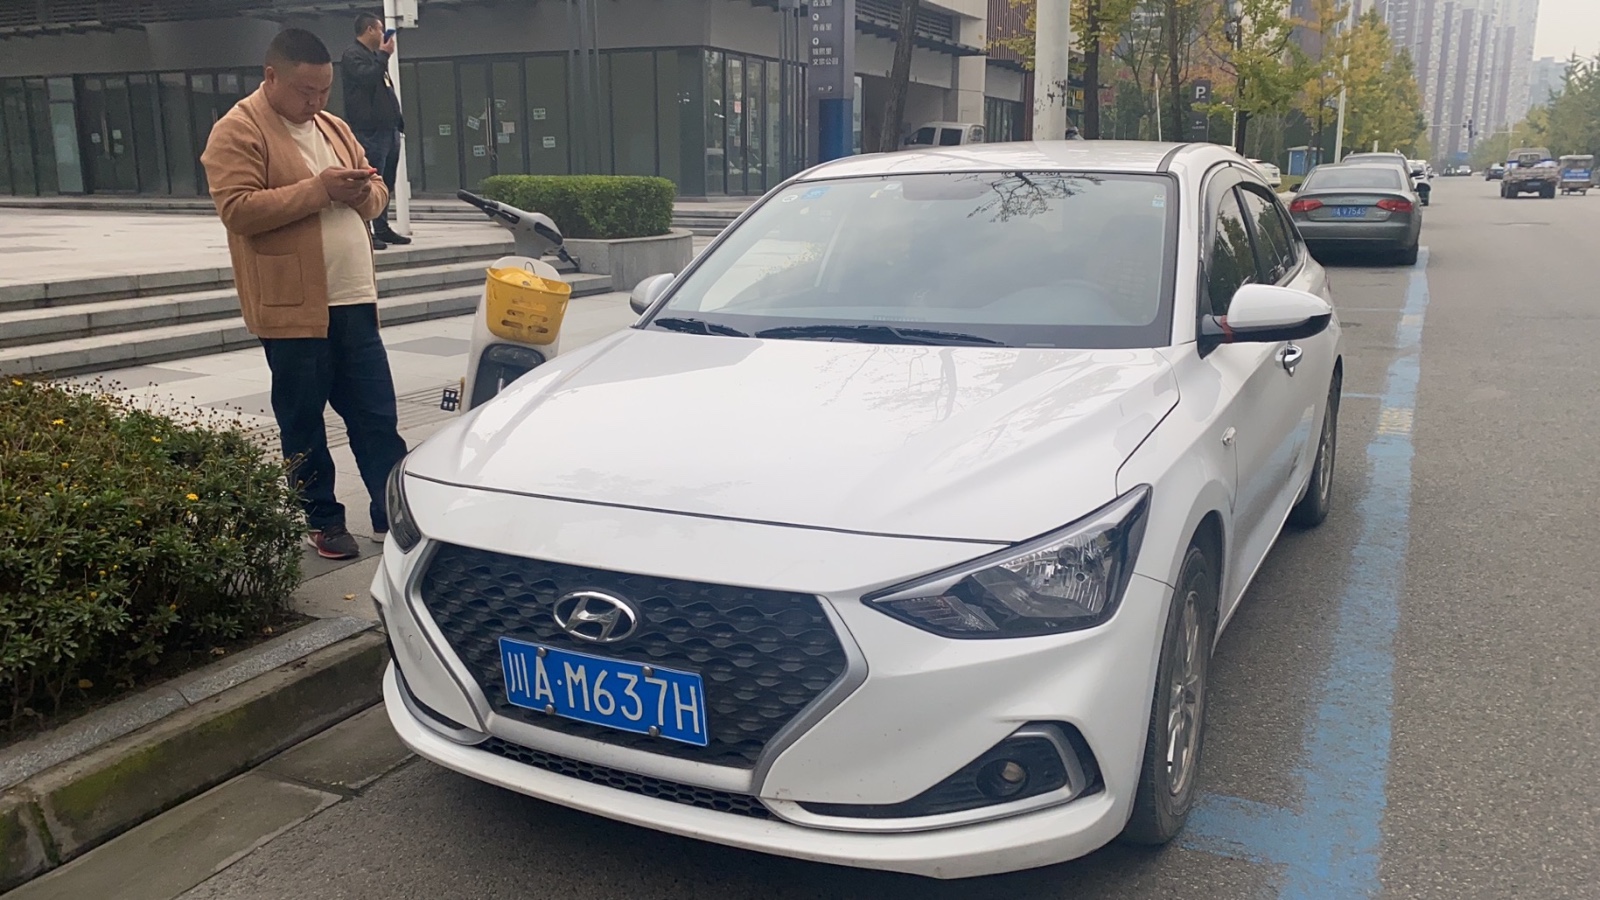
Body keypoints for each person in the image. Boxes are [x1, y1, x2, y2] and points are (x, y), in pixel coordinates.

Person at [200, 28, 409, 561]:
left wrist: (364, 193)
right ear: (271, 76)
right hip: (292, 307)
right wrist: (320, 190)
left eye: (324, 90)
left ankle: (391, 512)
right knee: (303, 420)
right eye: (305, 91)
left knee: (376, 416)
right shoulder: (236, 130)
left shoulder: (334, 127)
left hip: (354, 299)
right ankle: (322, 519)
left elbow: (378, 193)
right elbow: (238, 209)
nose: (315, 102)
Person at [342, 13, 411, 250]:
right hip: (370, 131)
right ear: (370, 30)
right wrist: (384, 55)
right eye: (380, 29)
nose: (383, 34)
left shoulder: (373, 57)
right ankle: (367, 230)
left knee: (386, 182)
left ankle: (382, 227)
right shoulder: (353, 55)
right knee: (371, 180)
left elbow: (384, 88)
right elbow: (367, 79)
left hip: (388, 129)